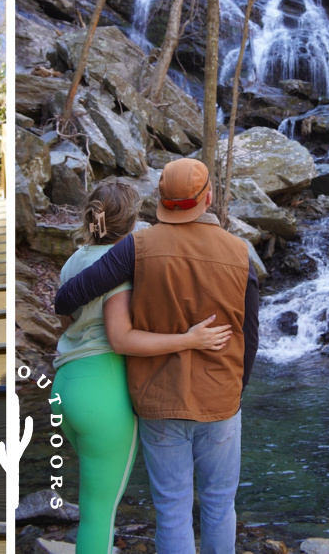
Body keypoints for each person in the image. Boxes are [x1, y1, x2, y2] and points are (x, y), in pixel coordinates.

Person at [53, 159, 259, 554]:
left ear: (161, 200)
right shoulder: (240, 252)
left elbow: (67, 297)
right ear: (209, 198)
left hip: (158, 400)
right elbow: (249, 336)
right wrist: (236, 390)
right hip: (220, 401)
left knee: (172, 509)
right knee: (219, 506)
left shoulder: (138, 246)